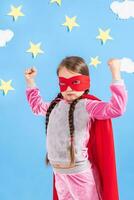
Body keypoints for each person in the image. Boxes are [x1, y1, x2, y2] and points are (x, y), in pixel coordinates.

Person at [24, 56, 128, 200]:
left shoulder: (88, 105)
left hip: (80, 176)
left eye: (75, 82)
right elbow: (36, 107)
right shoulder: (55, 106)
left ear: (86, 82)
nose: (69, 88)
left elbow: (117, 109)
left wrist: (116, 74)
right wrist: (30, 82)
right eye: (63, 83)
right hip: (60, 174)